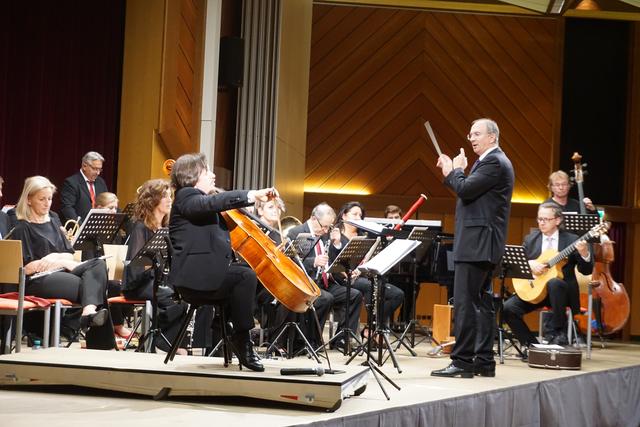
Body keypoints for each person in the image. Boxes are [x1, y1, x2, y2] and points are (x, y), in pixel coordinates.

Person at [168, 152, 277, 372]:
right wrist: (252, 194)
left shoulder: (202, 203)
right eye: (207, 171)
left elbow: (215, 207)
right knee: (244, 276)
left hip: (208, 276)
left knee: (246, 274)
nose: (213, 175)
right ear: (193, 174)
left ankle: (228, 328)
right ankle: (242, 340)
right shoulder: (186, 197)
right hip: (194, 280)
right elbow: (211, 202)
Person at [431, 118, 514, 379]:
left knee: (467, 303)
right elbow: (471, 191)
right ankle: (483, 360)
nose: (472, 138)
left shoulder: (494, 161)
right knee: (482, 304)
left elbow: (465, 189)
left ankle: (463, 362)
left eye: (477, 133)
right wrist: (458, 172)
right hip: (483, 244)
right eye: (470, 134)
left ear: (493, 136)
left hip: (478, 244)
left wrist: (453, 170)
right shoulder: (494, 161)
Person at [11, 176, 109, 333]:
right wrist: (61, 262)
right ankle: (81, 321)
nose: (47, 203)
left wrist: (56, 259)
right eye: (42, 199)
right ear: (29, 200)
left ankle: (87, 312)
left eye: (49, 198)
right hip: (38, 279)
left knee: (99, 264)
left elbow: (69, 254)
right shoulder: (22, 227)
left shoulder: (54, 219)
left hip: (61, 269)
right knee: (94, 286)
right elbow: (25, 268)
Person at [503, 203, 592, 349]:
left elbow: (586, 270)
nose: (541, 223)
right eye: (539, 219)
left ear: (557, 220)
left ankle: (557, 332)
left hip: (562, 292)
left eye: (546, 219)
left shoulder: (571, 240)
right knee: (508, 308)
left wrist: (584, 254)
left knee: (554, 283)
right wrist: (531, 264)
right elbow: (518, 263)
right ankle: (531, 346)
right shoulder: (531, 239)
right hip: (536, 289)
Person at [122, 179, 187, 353]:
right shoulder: (140, 228)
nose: (169, 200)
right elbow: (137, 266)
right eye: (164, 196)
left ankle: (165, 340)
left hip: (158, 280)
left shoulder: (166, 227)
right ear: (153, 200)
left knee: (185, 295)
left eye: (169, 196)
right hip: (138, 283)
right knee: (172, 296)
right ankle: (162, 342)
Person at [287, 203, 361, 351]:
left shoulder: (325, 233)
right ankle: (311, 341)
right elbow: (289, 260)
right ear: (314, 219)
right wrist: (313, 262)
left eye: (329, 227)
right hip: (307, 282)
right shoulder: (297, 232)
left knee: (354, 295)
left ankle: (341, 339)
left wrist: (337, 243)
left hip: (326, 281)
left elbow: (332, 259)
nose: (326, 230)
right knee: (325, 299)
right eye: (324, 227)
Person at [335, 201, 404, 330]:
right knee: (369, 286)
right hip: (342, 279)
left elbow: (369, 259)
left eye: (360, 215)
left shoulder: (365, 235)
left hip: (361, 276)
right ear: (344, 216)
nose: (358, 218)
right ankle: (374, 330)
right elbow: (333, 261)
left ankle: (371, 328)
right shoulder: (336, 235)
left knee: (397, 294)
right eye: (354, 214)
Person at [60, 151, 108, 223]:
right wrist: (80, 227)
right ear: (84, 166)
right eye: (95, 169)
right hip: (79, 227)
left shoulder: (101, 182)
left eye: (100, 169)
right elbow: (67, 208)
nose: (98, 173)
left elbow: (108, 202)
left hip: (98, 226)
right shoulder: (71, 183)